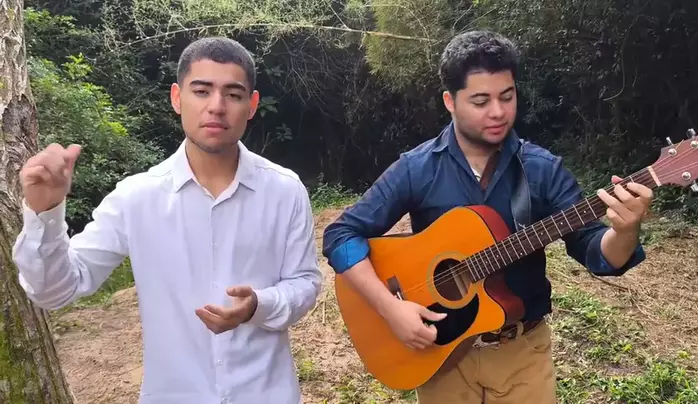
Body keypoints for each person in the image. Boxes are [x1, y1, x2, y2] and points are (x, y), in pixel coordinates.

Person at [322, 30, 652, 404]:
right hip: (441, 356)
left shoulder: (542, 170)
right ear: (450, 101)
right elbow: (340, 236)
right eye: (481, 101)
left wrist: (625, 230)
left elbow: (595, 251)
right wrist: (390, 308)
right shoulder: (417, 168)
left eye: (507, 97)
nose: (498, 112)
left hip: (521, 355)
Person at [13, 37, 322, 404]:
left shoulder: (284, 191)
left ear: (252, 105)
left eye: (233, 94)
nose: (216, 106)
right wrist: (46, 213)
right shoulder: (137, 197)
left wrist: (259, 304)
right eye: (201, 91)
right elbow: (56, 291)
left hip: (267, 394)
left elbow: (305, 283)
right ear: (177, 98)